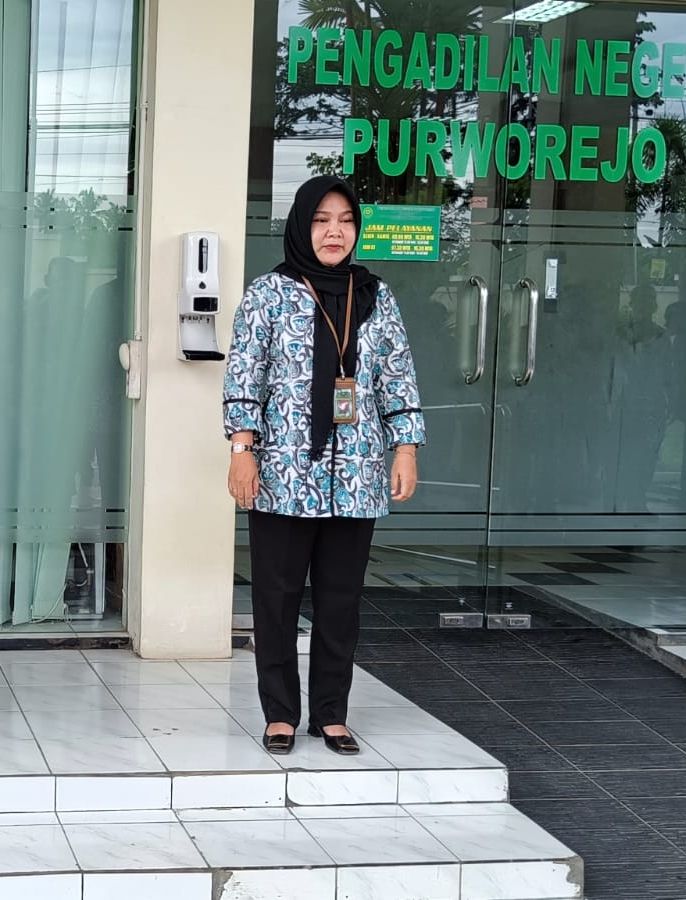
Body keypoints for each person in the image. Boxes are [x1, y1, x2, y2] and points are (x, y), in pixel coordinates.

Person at [223, 175, 425, 757]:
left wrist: (405, 448)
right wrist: (241, 451)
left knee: (341, 601)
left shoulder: (376, 296)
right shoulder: (268, 293)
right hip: (283, 475)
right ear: (300, 225)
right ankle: (280, 714)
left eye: (345, 220)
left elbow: (396, 375)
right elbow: (245, 375)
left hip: (356, 476)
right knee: (277, 599)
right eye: (320, 220)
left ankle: (332, 714)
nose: (334, 232)